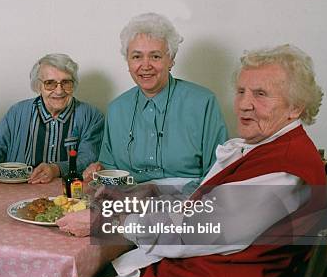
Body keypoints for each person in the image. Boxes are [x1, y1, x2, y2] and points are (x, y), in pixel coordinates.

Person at [59, 44, 326, 277]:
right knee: (97, 276)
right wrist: (135, 200)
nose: (244, 104)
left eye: (261, 94)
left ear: (296, 106)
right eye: (241, 91)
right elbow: (200, 208)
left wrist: (111, 222)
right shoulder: (268, 148)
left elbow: (191, 230)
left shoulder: (284, 172)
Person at [83, 13, 227, 193]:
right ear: (127, 61)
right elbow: (110, 168)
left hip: (187, 203)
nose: (145, 65)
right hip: (129, 202)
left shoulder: (203, 103)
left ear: (171, 60)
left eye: (155, 56)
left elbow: (217, 174)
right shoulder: (116, 109)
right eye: (137, 56)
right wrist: (99, 169)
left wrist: (161, 196)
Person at [0, 53, 104, 183]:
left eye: (66, 82)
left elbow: (88, 159)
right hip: (17, 193)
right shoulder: (17, 112)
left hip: (67, 194)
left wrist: (56, 169)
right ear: (38, 86)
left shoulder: (91, 117)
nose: (59, 91)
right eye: (50, 83)